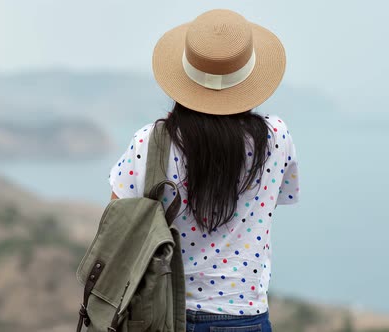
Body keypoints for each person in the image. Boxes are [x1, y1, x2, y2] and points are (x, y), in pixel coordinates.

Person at [107, 8, 299, 332]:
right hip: (247, 318)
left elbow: (116, 223)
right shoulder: (276, 138)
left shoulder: (151, 141)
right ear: (248, 78)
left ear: (185, 77)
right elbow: (274, 198)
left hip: (165, 315)